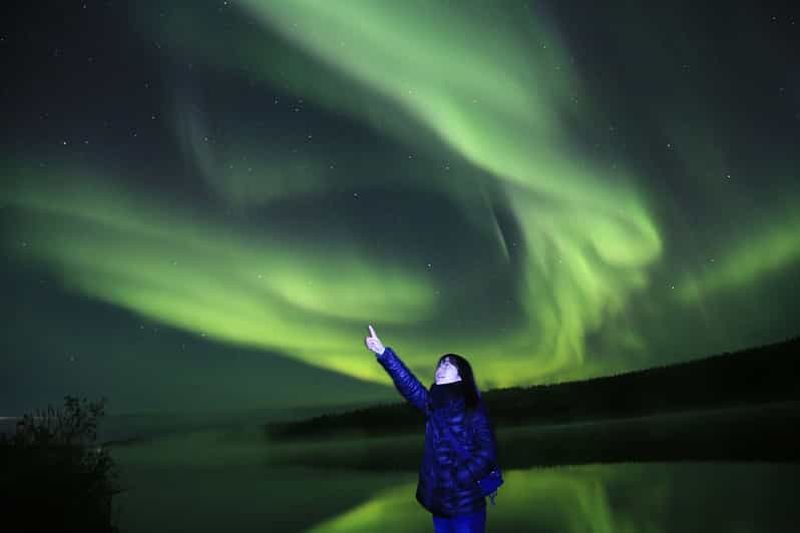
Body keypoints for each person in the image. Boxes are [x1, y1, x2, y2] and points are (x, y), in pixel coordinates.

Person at [365, 324, 499, 533]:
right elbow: (410, 386)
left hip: (466, 504)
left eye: (448, 365)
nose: (441, 368)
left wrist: (459, 478)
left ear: (461, 376)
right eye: (440, 364)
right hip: (440, 504)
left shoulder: (473, 406)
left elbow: (487, 453)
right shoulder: (433, 404)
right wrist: (383, 353)